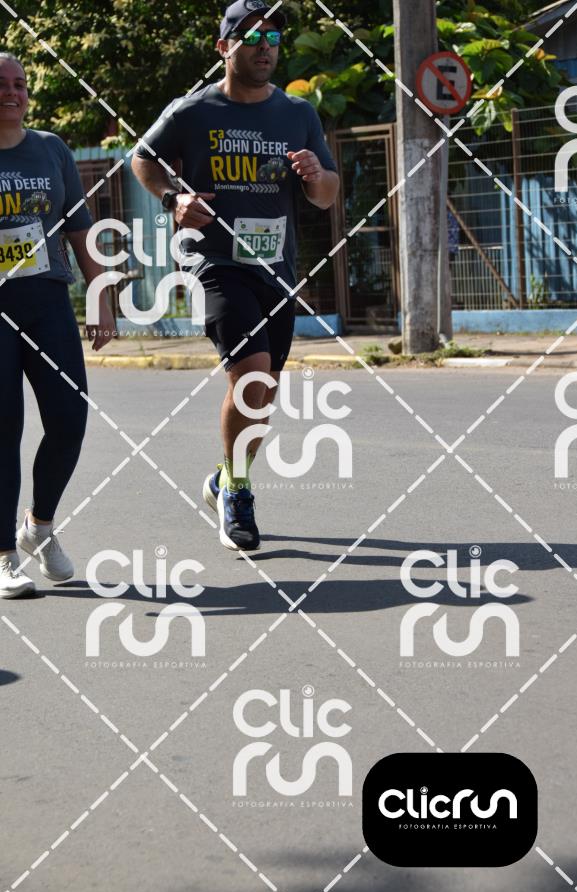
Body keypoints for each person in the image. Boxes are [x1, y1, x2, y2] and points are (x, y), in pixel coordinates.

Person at [132, 0, 340, 552]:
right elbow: (142, 159)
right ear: (224, 48)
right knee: (251, 373)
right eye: (251, 37)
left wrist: (315, 176)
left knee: (263, 390)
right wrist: (173, 199)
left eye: (273, 37)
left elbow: (326, 195)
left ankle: (225, 476)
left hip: (276, 269)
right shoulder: (193, 111)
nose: (264, 46)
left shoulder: (298, 114)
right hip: (215, 262)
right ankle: (239, 493)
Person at [0, 52, 116, 598]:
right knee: (4, 431)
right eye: (1, 84)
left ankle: (39, 526)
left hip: (47, 302)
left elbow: (78, 227)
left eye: (20, 84)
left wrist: (100, 296)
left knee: (70, 420)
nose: (12, 92)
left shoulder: (51, 149)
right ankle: (4, 555)